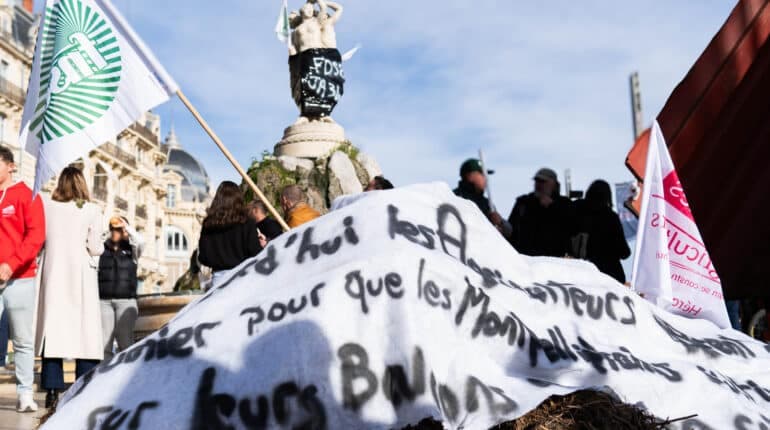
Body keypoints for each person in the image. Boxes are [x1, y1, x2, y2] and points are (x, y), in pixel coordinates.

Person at [36, 166, 103, 408]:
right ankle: (83, 387)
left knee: (53, 334)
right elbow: (95, 247)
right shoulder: (92, 209)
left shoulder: (46, 205)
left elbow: (39, 239)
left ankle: (52, 390)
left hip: (52, 272)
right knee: (84, 333)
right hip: (80, 274)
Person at [0, 146, 45, 412]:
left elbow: (36, 236)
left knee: (23, 339)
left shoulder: (26, 195)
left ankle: (25, 393)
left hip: (20, 279)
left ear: (11, 166)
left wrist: (11, 265)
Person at [98, 216, 144, 362]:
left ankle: (126, 375)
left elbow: (141, 242)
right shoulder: (101, 249)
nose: (115, 232)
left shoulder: (132, 250)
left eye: (119, 229)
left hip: (126, 301)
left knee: (126, 343)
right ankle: (103, 376)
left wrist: (127, 228)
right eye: (113, 229)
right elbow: (94, 241)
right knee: (104, 344)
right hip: (103, 302)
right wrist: (107, 230)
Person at [198, 182, 261, 285]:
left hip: (218, 280)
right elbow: (255, 253)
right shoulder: (247, 223)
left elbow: (203, 258)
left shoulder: (208, 224)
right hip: (242, 278)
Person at [572, 180, 631, 283]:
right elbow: (624, 253)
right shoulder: (610, 218)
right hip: (610, 276)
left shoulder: (576, 209)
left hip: (580, 273)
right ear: (607, 197)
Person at [508, 168, 574, 257]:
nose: (539, 184)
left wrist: (552, 207)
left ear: (554, 184)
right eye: (537, 181)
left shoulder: (564, 204)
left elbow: (570, 227)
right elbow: (512, 228)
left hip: (554, 260)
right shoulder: (524, 203)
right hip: (524, 258)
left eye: (543, 181)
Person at [453, 159, 507, 231]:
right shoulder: (454, 197)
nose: (486, 179)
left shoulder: (487, 203)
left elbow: (509, 231)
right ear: (470, 176)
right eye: (482, 174)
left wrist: (500, 223)